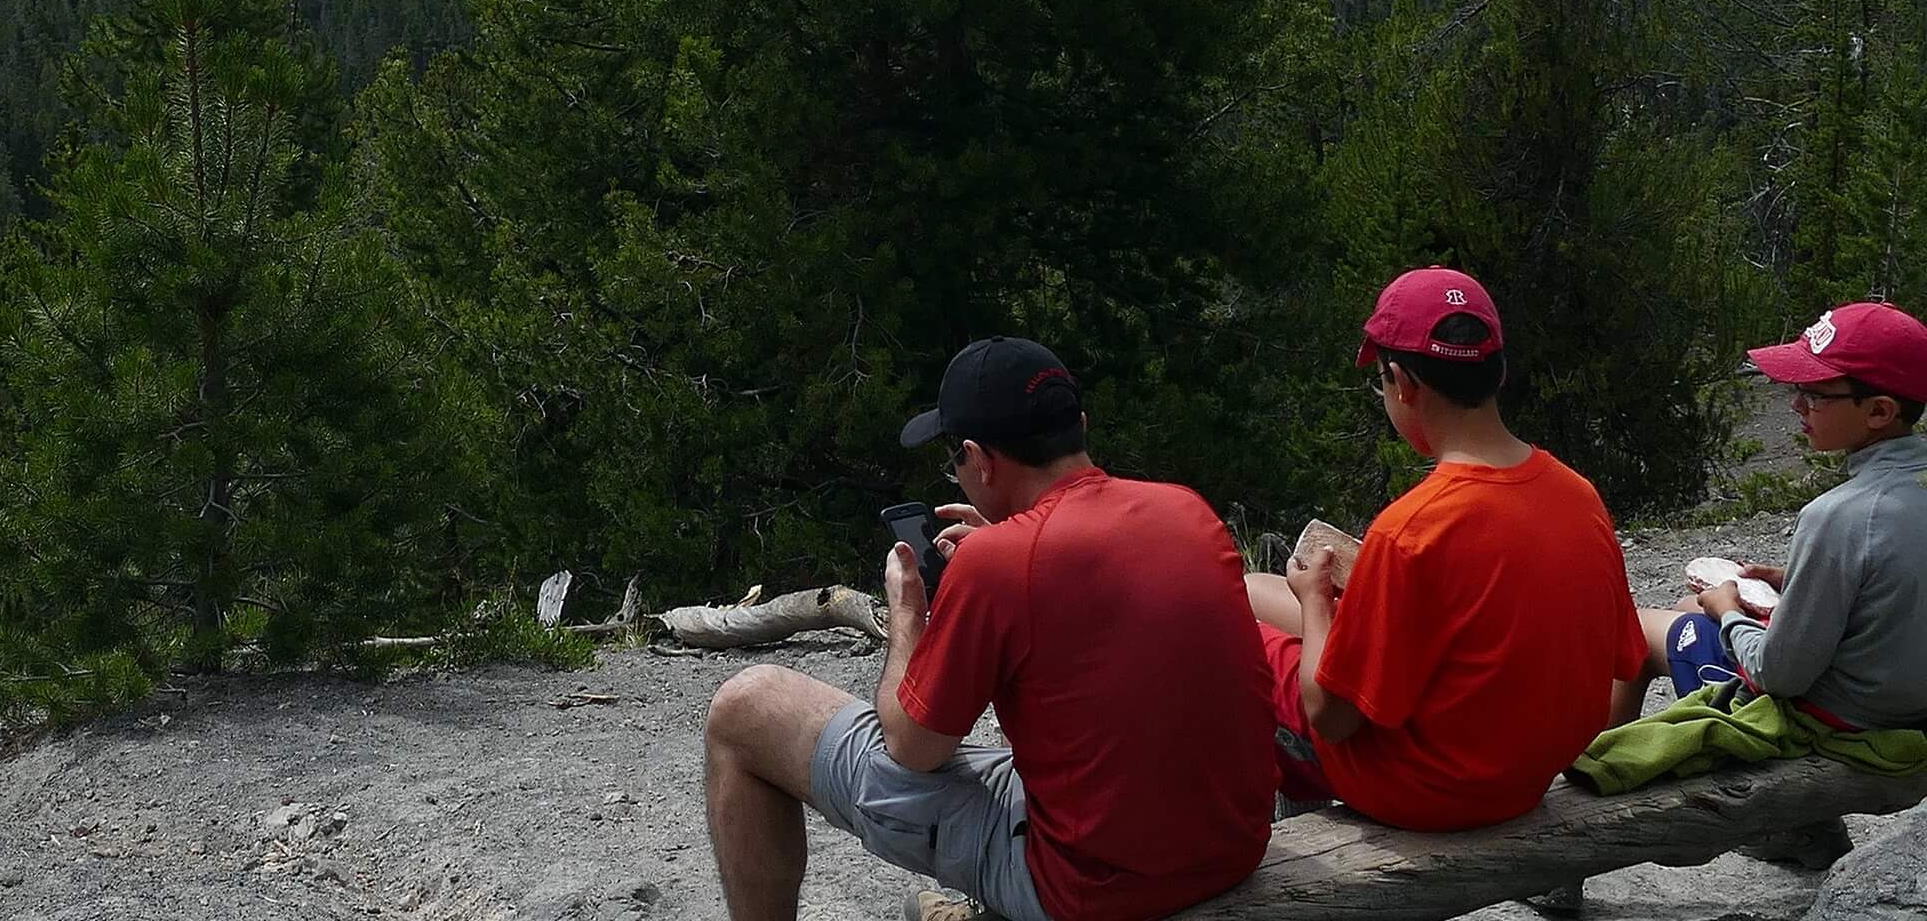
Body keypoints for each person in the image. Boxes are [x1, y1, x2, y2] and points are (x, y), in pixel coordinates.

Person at [702, 337, 1275, 921]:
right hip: (1229, 850)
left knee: (742, 709)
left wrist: (907, 618)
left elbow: (912, 748)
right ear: (1077, 425)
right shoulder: (1186, 510)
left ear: (977, 459)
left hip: (1092, 891)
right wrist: (1009, 539)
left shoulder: (999, 564)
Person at [1244, 269, 1647, 830]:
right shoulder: (1579, 496)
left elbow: (1331, 718)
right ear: (1498, 370)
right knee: (1251, 590)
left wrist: (1315, 601)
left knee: (1246, 640)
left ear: (1402, 382)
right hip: (1527, 776)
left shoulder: (1410, 529)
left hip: (1429, 791)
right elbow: (1613, 655)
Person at [1625, 301, 1927, 730]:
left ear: (1879, 411)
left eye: (1815, 394)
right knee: (1687, 605)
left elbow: (1779, 675)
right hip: (1903, 693)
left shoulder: (1836, 515)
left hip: (1843, 717)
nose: (1796, 405)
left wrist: (1729, 612)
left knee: (1637, 628)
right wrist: (1793, 579)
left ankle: (1595, 774)